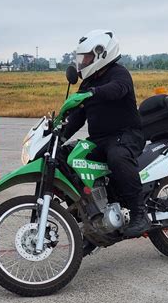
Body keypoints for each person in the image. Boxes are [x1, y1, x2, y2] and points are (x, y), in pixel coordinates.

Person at [63, 29, 151, 237]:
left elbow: (117, 89)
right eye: (81, 58)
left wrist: (93, 93)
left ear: (102, 53)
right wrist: (60, 133)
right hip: (100, 139)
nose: (83, 62)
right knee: (67, 157)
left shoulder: (119, 74)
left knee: (117, 156)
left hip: (127, 135)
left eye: (87, 58)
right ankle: (88, 214)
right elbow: (78, 116)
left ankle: (140, 214)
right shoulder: (87, 82)